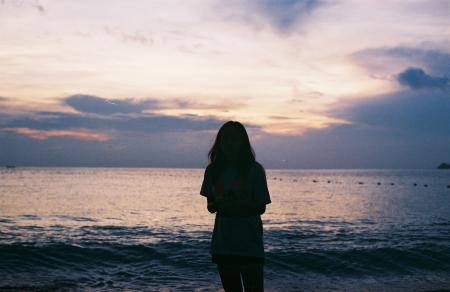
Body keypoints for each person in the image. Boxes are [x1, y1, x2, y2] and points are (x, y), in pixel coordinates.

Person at [200, 121, 272, 292]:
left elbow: (261, 207)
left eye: (234, 139)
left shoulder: (254, 170)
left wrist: (240, 204)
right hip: (224, 241)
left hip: (249, 242)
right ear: (220, 142)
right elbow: (210, 206)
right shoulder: (213, 171)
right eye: (226, 139)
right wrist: (218, 204)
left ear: (243, 142)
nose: (229, 143)